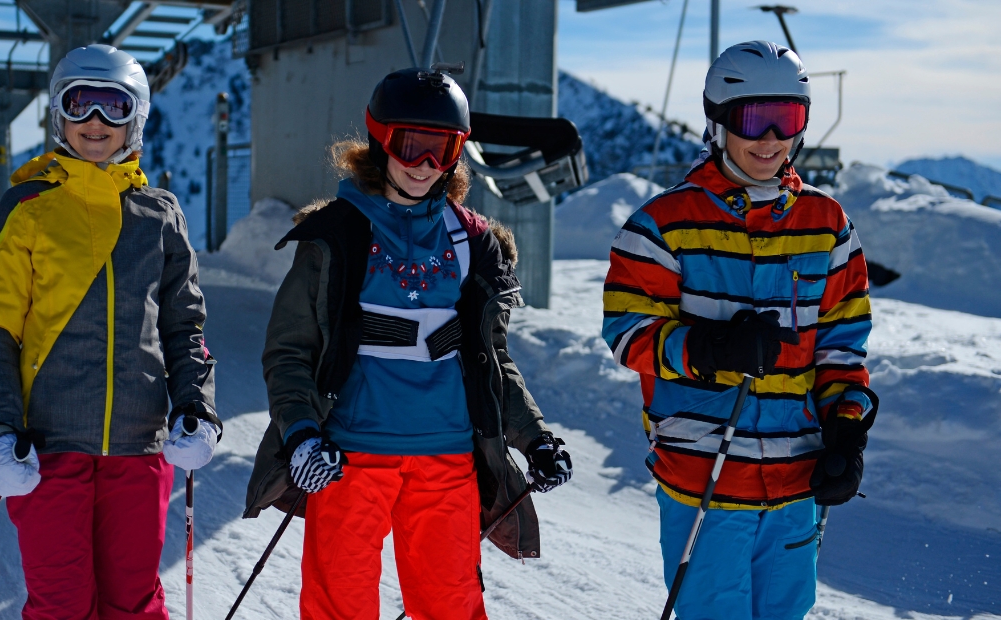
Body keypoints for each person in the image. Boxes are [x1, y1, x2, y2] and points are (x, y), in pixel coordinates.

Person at [243, 67, 574, 619]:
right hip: (348, 457)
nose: (424, 165)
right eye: (410, 146)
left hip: (445, 458)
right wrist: (301, 434)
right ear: (380, 141)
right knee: (338, 604)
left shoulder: (471, 240)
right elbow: (289, 352)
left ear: (458, 152)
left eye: (440, 150)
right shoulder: (337, 234)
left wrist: (533, 438)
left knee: (452, 605)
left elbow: (493, 361)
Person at [601, 41, 877, 620]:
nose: (771, 138)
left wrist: (845, 431)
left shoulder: (827, 225)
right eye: (755, 119)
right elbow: (628, 332)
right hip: (705, 476)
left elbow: (841, 346)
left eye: (789, 118)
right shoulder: (662, 225)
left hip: (796, 475)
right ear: (719, 119)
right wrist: (706, 347)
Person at [0, 44, 220, 620]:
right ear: (59, 113)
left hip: (140, 445)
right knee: (61, 603)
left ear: (137, 115)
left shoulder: (159, 213)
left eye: (113, 106)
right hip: (50, 447)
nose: (96, 123)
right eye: (80, 104)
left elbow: (185, 325)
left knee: (133, 601)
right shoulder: (29, 206)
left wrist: (196, 406)